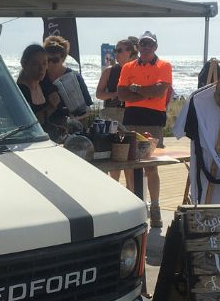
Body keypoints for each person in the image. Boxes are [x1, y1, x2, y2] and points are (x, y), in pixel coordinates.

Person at [117, 31, 173, 228]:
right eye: (143, 43)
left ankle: (155, 206)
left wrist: (135, 88)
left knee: (151, 166)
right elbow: (122, 94)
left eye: (150, 44)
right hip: (132, 118)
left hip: (153, 121)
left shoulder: (164, 65)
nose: (146, 47)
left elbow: (160, 91)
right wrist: (147, 92)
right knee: (131, 165)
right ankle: (137, 205)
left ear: (155, 47)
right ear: (138, 47)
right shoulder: (128, 67)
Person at [95, 37, 138, 187]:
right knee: (112, 155)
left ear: (130, 52)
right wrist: (115, 94)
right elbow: (99, 94)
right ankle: (113, 190)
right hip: (111, 114)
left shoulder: (136, 69)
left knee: (129, 157)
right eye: (115, 50)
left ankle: (132, 192)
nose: (116, 53)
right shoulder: (110, 71)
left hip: (130, 114)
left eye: (119, 50)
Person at [41, 35, 91, 136]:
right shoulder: (40, 76)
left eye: (55, 60)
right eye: (47, 60)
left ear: (63, 58)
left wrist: (74, 119)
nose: (50, 64)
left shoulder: (75, 78)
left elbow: (87, 109)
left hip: (67, 127)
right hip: (43, 126)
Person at [16, 44, 54, 131]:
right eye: (35, 64)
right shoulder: (21, 91)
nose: (42, 68)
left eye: (44, 63)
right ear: (24, 64)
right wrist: (51, 107)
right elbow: (28, 124)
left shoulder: (44, 86)